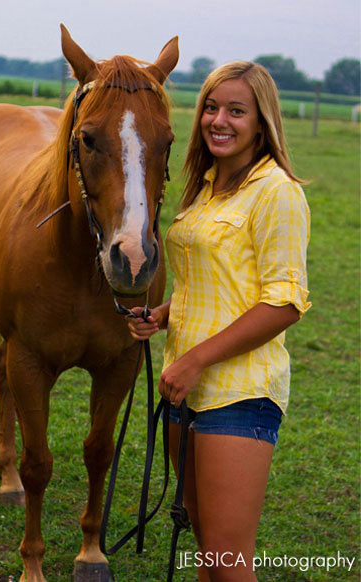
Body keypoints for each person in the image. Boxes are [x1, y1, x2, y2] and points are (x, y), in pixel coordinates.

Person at [125, 62, 310, 581]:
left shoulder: (277, 191)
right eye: (211, 107)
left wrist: (195, 360)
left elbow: (284, 303)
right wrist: (163, 315)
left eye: (236, 110)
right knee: (207, 548)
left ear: (261, 120)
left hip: (238, 393)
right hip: (187, 392)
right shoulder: (206, 186)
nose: (219, 120)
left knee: (227, 563)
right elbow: (216, 281)